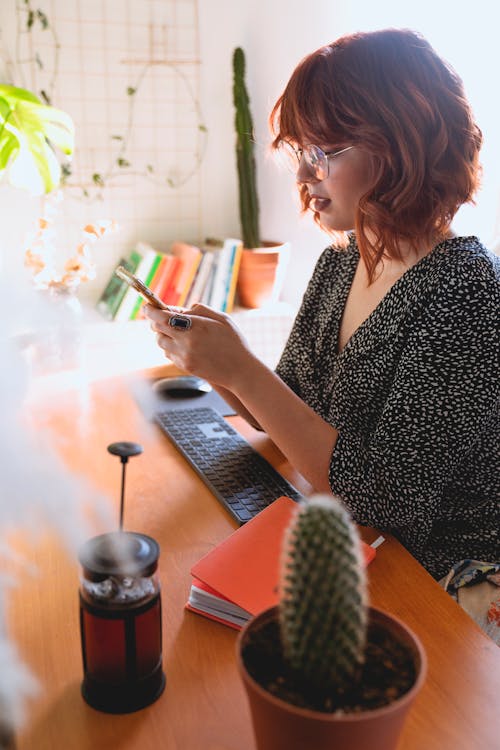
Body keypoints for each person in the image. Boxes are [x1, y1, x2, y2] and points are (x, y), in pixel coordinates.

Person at [145, 28, 499, 583]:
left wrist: (240, 367)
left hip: (442, 573)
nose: (305, 175)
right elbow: (277, 415)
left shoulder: (464, 289)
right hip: (357, 541)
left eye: (323, 153)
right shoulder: (341, 262)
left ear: (401, 143)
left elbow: (389, 498)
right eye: (299, 153)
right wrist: (213, 363)